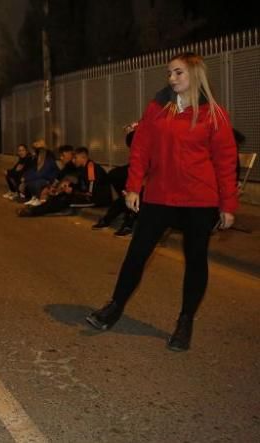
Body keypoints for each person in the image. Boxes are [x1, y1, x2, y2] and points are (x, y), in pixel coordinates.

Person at [86, 52, 238, 351]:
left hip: (200, 200)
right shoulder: (159, 108)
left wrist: (228, 205)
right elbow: (141, 147)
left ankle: (185, 323)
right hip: (159, 196)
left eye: (178, 73)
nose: (171, 78)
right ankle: (114, 307)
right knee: (137, 253)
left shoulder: (214, 114)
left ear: (194, 75)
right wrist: (132, 188)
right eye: (170, 73)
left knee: (195, 260)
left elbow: (225, 161)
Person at [93, 123, 139, 235]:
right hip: (137, 167)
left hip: (149, 173)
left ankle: (128, 223)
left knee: (133, 193)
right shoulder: (143, 128)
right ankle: (109, 218)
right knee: (114, 175)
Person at [22, 139, 58, 204]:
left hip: (49, 179)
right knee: (30, 182)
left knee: (36, 182)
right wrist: (25, 176)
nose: (35, 152)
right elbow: (32, 170)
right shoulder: (36, 159)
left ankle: (38, 198)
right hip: (42, 177)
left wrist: (27, 178)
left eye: (38, 150)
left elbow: (43, 173)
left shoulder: (49, 159)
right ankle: (34, 197)